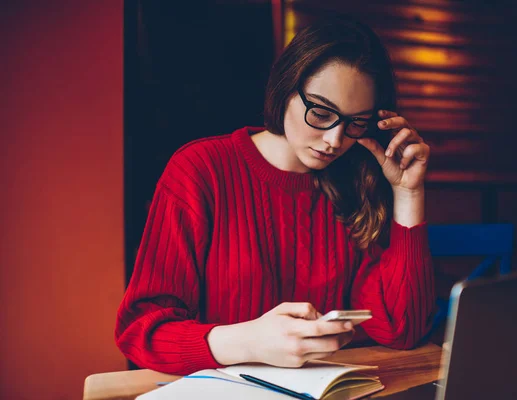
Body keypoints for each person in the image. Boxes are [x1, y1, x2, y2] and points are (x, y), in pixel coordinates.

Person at [115, 15, 435, 375]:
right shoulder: (200, 170)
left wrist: (408, 194)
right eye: (321, 112)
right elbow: (142, 332)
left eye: (355, 122)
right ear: (285, 88)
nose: (335, 139)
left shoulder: (357, 182)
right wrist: (250, 341)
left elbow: (401, 330)